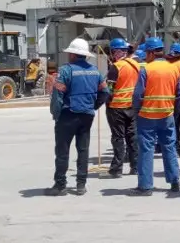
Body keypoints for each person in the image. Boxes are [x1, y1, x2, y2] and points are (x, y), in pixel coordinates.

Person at [46, 38, 108, 196]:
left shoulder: (66, 70)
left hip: (68, 115)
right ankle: (81, 185)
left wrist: (56, 114)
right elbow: (105, 92)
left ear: (73, 54)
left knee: (62, 151)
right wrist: (92, 106)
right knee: (83, 150)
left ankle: (60, 185)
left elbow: (57, 96)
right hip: (86, 116)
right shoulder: (95, 71)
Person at [130, 37, 180, 196]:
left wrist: (136, 111)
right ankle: (174, 180)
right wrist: (175, 112)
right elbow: (179, 94)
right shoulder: (173, 69)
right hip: (167, 114)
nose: (146, 56)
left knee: (146, 150)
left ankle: (145, 186)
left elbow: (138, 94)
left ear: (152, 53)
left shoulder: (146, 69)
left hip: (147, 115)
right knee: (169, 147)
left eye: (147, 53)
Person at [105, 37, 140, 178]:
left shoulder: (116, 67)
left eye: (112, 52)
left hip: (117, 107)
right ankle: (135, 167)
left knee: (118, 137)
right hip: (132, 106)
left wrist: (105, 101)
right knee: (132, 137)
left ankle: (116, 169)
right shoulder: (136, 64)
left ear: (117, 52)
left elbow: (109, 89)